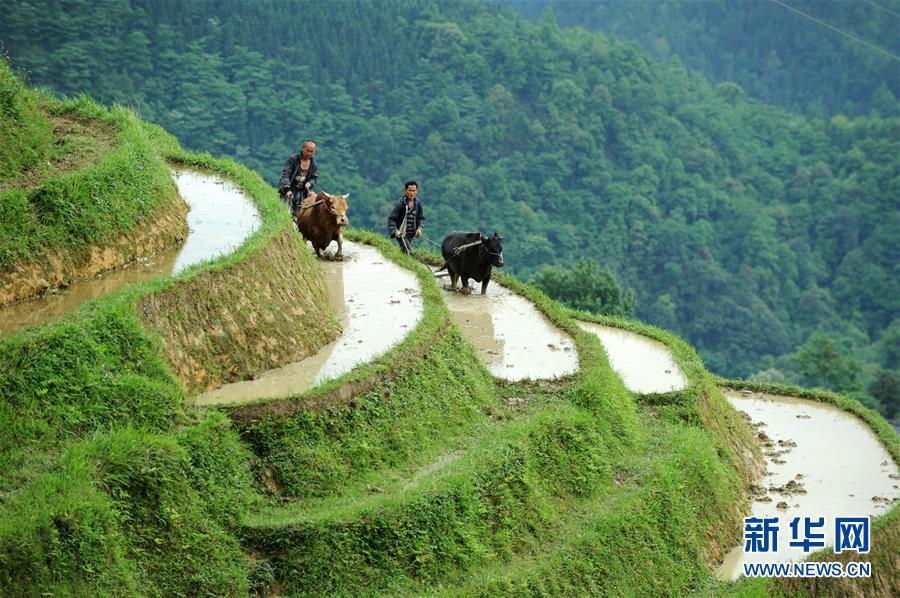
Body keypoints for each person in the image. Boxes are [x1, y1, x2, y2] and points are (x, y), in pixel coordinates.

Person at [279, 140, 318, 217]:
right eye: (307, 150)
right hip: (289, 190)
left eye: (312, 151)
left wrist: (309, 183)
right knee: (284, 213)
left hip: (301, 194)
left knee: (297, 216)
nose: (309, 153)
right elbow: (285, 175)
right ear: (303, 148)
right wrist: (287, 189)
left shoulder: (313, 165)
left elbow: (314, 178)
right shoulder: (293, 159)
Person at [388, 180, 425, 253]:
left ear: (416, 191)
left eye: (414, 190)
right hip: (401, 233)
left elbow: (421, 218)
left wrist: (420, 229)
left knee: (404, 252)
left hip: (411, 234)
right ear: (405, 190)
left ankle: (399, 261)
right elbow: (391, 219)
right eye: (410, 190)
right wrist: (395, 231)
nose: (412, 193)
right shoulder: (401, 203)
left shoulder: (418, 203)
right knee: (409, 252)